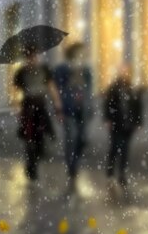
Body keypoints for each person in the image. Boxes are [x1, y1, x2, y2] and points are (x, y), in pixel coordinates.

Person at [14, 51, 63, 182]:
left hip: (40, 106)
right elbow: (16, 91)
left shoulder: (44, 70)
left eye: (34, 57)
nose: (32, 60)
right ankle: (31, 166)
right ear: (26, 59)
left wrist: (57, 104)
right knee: (29, 138)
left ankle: (36, 157)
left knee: (41, 136)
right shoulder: (21, 72)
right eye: (29, 58)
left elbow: (51, 87)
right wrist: (18, 108)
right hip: (28, 106)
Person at [54, 43, 93, 189]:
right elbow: (57, 90)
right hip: (68, 109)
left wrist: (90, 107)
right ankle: (72, 165)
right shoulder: (62, 69)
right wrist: (59, 109)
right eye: (80, 52)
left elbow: (89, 90)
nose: (83, 55)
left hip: (82, 109)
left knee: (82, 138)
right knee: (71, 137)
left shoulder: (86, 70)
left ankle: (74, 161)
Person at [104, 64, 143, 191]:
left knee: (125, 149)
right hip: (117, 123)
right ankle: (110, 172)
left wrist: (138, 121)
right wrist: (108, 119)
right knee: (115, 147)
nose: (124, 74)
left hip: (128, 124)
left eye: (126, 71)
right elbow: (108, 104)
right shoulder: (114, 88)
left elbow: (138, 106)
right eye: (122, 71)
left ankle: (121, 174)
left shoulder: (132, 88)